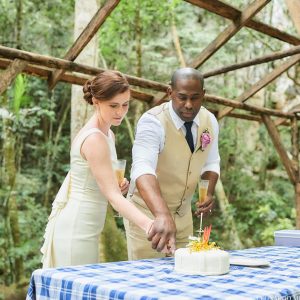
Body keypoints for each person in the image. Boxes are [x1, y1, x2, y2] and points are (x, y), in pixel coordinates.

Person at [41, 70, 167, 268]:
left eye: (125, 105)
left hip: (91, 225)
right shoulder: (95, 139)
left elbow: (107, 189)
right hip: (77, 227)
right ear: (96, 101)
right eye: (113, 106)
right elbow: (114, 198)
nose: (120, 112)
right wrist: (150, 225)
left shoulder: (108, 135)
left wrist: (118, 187)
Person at [124, 67, 220, 260]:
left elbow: (212, 162)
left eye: (195, 98)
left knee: (186, 276)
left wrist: (208, 191)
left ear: (203, 95)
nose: (189, 105)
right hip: (149, 219)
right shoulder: (152, 122)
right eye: (182, 97)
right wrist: (162, 214)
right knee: (148, 281)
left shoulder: (210, 120)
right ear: (170, 93)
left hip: (184, 219)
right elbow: (142, 169)